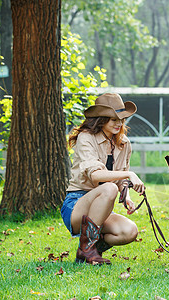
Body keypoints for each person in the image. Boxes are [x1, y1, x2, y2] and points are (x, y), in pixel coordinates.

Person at [61, 93, 145, 265]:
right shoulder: (86, 138)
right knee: (109, 188)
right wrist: (130, 175)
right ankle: (86, 249)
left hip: (103, 207)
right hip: (76, 204)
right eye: (113, 119)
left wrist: (126, 196)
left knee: (129, 231)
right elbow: (96, 175)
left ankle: (89, 251)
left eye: (121, 119)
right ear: (100, 119)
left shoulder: (124, 143)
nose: (119, 123)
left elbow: (120, 176)